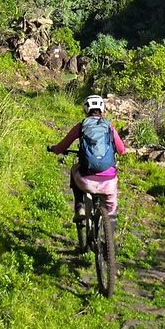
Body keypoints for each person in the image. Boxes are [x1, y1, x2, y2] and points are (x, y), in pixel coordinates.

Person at [48, 94, 126, 250]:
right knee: (110, 211)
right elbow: (121, 150)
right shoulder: (109, 126)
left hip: (86, 180)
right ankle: (109, 245)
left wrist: (54, 149)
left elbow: (62, 146)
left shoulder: (82, 125)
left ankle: (79, 207)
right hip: (109, 181)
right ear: (103, 109)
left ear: (85, 109)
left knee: (74, 169)